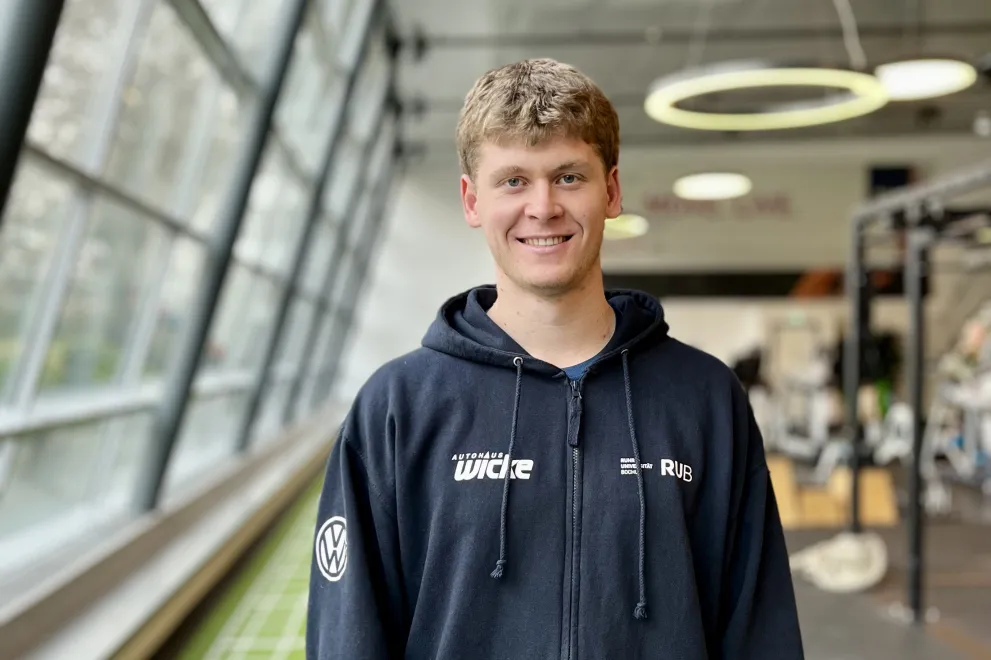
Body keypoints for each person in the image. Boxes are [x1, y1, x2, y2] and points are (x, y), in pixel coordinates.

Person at [306, 57, 804, 659]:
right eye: (513, 180)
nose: (542, 207)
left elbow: (761, 632)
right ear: (471, 200)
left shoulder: (706, 399)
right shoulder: (397, 409)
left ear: (611, 191)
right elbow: (347, 639)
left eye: (568, 176)